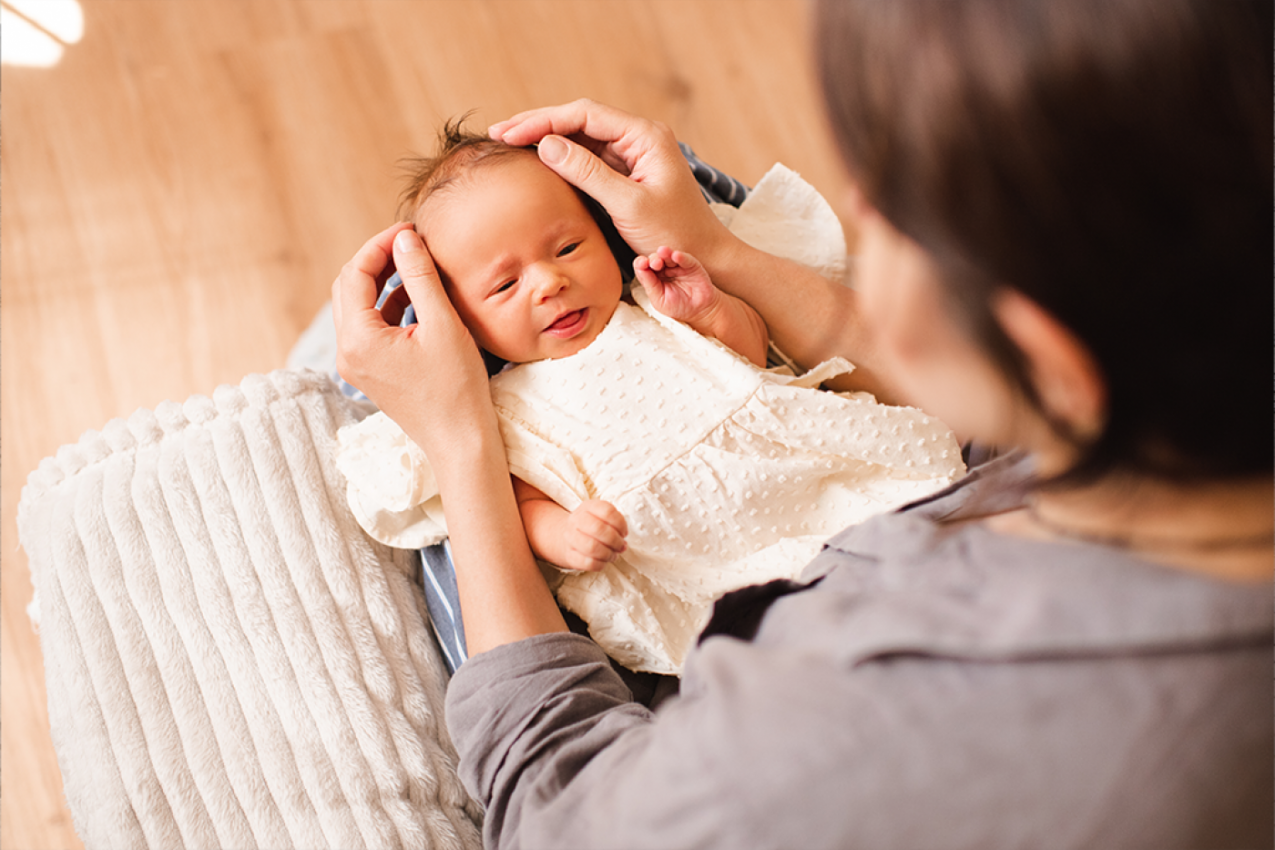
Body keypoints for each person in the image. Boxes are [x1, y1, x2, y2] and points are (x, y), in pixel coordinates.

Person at [332, 0, 1273, 846]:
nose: (854, 213)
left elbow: (554, 804)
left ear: (1046, 351)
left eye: (893, 208)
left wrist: (458, 444)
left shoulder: (813, 749)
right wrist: (717, 249)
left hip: (723, 565)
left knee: (341, 372)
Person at [338, 123, 964, 674]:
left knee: (898, 531)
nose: (550, 281)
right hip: (683, 554)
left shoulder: (651, 305)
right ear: (459, 321)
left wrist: (712, 313)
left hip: (790, 471)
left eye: (567, 248)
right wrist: (564, 534)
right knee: (766, 637)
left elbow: (753, 362)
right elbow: (521, 504)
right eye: (504, 285)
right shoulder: (501, 406)